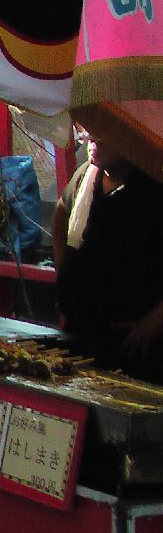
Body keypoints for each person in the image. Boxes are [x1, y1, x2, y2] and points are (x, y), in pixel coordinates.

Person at [54, 123, 163, 379]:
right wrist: (62, 274)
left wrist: (156, 321)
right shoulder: (85, 176)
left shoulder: (154, 184)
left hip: (134, 343)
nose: (92, 139)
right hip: (80, 333)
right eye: (89, 135)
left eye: (103, 133)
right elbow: (60, 213)